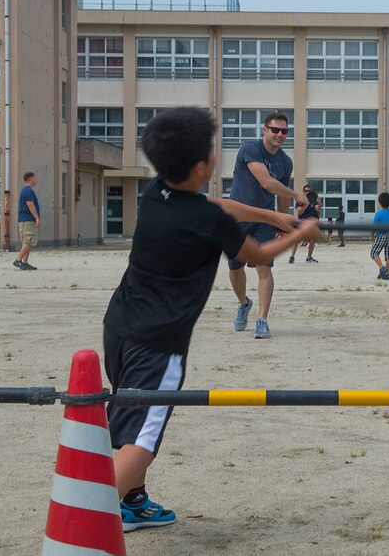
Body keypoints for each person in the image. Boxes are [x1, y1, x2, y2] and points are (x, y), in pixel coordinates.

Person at [102, 107, 320, 533]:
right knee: (143, 440)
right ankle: (81, 516)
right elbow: (254, 255)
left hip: (120, 328)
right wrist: (300, 234)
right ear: (202, 165)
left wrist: (276, 217)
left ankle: (133, 502)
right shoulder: (207, 221)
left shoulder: (156, 193)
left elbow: (219, 204)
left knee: (131, 415)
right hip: (158, 344)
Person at [228, 112, 307, 339]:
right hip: (238, 217)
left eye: (284, 131)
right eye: (275, 130)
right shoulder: (250, 149)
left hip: (263, 219)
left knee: (265, 268)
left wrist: (281, 223)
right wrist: (297, 196)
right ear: (265, 130)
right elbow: (267, 182)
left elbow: (281, 197)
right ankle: (244, 304)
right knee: (235, 268)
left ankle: (262, 320)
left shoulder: (285, 162)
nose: (280, 135)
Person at [13, 172, 40, 270]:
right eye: (35, 178)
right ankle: (18, 260)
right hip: (27, 219)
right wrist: (37, 217)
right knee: (28, 241)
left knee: (28, 241)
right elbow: (30, 205)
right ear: (30, 178)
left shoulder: (26, 190)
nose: (36, 180)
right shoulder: (27, 190)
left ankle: (24, 262)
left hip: (26, 219)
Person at [370, 192, 389, 280]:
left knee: (373, 252)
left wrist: (372, 234)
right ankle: (387, 274)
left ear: (380, 202)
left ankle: (382, 268)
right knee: (388, 255)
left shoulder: (379, 214)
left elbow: (375, 226)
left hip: (381, 234)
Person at [289, 190, 321, 263]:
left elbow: (318, 209)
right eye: (306, 191)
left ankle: (309, 257)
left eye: (308, 191)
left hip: (311, 224)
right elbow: (299, 211)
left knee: (312, 240)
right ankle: (292, 257)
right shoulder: (300, 202)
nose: (307, 192)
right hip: (301, 223)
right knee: (296, 240)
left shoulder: (315, 203)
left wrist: (319, 202)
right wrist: (305, 205)